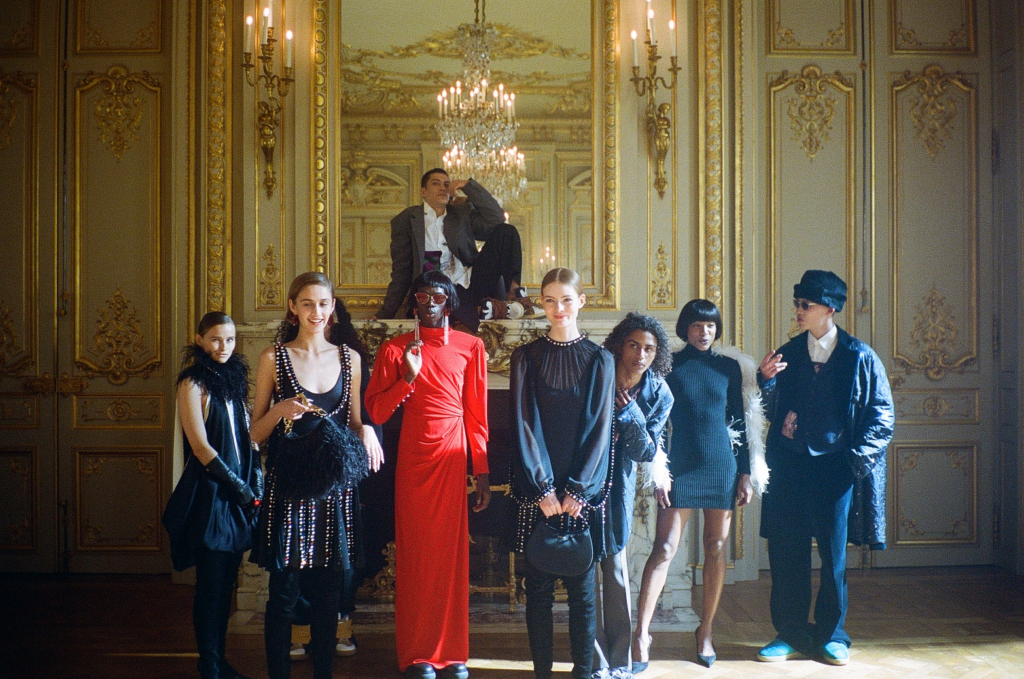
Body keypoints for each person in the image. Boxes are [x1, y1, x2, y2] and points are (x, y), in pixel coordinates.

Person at [249, 272, 384, 679]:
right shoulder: (273, 358)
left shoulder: (350, 358)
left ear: (333, 307)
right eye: (307, 303)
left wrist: (368, 430)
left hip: (334, 491)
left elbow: (355, 422)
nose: (316, 312)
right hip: (289, 489)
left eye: (323, 304)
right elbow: (254, 434)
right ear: (293, 307)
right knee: (283, 594)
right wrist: (279, 410)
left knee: (330, 594)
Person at [756, 270, 893, 666]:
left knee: (833, 557)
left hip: (835, 470)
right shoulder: (788, 353)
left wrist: (854, 460)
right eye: (797, 304)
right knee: (786, 552)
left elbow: (882, 415)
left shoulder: (859, 356)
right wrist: (766, 382)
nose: (798, 311)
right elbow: (768, 412)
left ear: (829, 309)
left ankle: (833, 634)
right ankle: (790, 632)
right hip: (788, 466)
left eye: (806, 305)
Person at [364, 270, 490, 679]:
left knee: (451, 558)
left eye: (437, 297)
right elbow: (377, 411)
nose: (430, 304)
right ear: (414, 302)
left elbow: (476, 415)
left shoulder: (471, 347)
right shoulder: (394, 348)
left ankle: (452, 653)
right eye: (422, 296)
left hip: (452, 459)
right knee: (416, 557)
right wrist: (408, 377)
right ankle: (418, 654)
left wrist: (482, 471)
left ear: (449, 302)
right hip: (413, 461)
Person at [632, 299, 768, 671]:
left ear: (716, 328)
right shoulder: (668, 364)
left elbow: (740, 420)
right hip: (681, 467)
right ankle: (641, 634)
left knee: (716, 547)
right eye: (696, 325)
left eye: (710, 325)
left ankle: (705, 631)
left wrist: (745, 473)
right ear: (685, 328)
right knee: (664, 548)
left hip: (721, 466)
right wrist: (659, 471)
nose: (704, 332)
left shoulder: (729, 367)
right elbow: (654, 422)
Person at [510, 267, 615, 679]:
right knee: (536, 594)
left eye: (566, 300)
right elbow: (523, 423)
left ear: (581, 302)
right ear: (541, 303)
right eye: (550, 300)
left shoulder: (600, 359)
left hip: (579, 492)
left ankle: (583, 673)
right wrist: (543, 490)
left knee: (583, 596)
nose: (558, 309)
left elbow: (600, 429)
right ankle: (541, 673)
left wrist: (578, 490)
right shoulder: (525, 356)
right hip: (539, 490)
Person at [162, 312, 261, 679]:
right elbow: (201, 448)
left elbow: (246, 441)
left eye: (230, 340)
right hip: (210, 497)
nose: (224, 347)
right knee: (211, 586)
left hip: (235, 498)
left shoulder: (233, 381)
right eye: (216, 339)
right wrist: (241, 489)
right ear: (200, 340)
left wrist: (254, 485)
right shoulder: (192, 384)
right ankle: (210, 666)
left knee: (225, 586)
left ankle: (218, 663)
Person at [593, 313, 674, 679]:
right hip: (583, 481)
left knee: (615, 567)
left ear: (657, 354)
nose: (641, 355)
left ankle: (620, 661)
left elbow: (645, 451)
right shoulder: (597, 373)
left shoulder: (660, 393)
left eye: (649, 349)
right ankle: (594, 659)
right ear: (620, 345)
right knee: (584, 571)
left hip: (620, 486)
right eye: (634, 345)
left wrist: (629, 412)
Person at [375, 168, 523, 329]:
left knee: (507, 231)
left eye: (446, 184)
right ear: (423, 191)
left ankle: (514, 293)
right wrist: (384, 313)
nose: (442, 188)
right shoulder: (407, 219)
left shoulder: (460, 212)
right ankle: (484, 310)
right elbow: (401, 271)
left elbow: (496, 218)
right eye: (436, 183)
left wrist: (467, 186)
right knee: (440, 300)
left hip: (471, 284)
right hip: (436, 291)